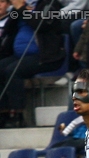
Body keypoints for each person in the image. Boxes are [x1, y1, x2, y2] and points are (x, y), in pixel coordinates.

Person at [0, 0, 66, 128]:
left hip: (47, 56)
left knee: (13, 70)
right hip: (17, 55)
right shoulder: (21, 6)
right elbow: (9, 29)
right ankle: (3, 113)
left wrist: (22, 9)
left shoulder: (49, 4)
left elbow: (41, 24)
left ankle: (17, 115)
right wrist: (16, 10)